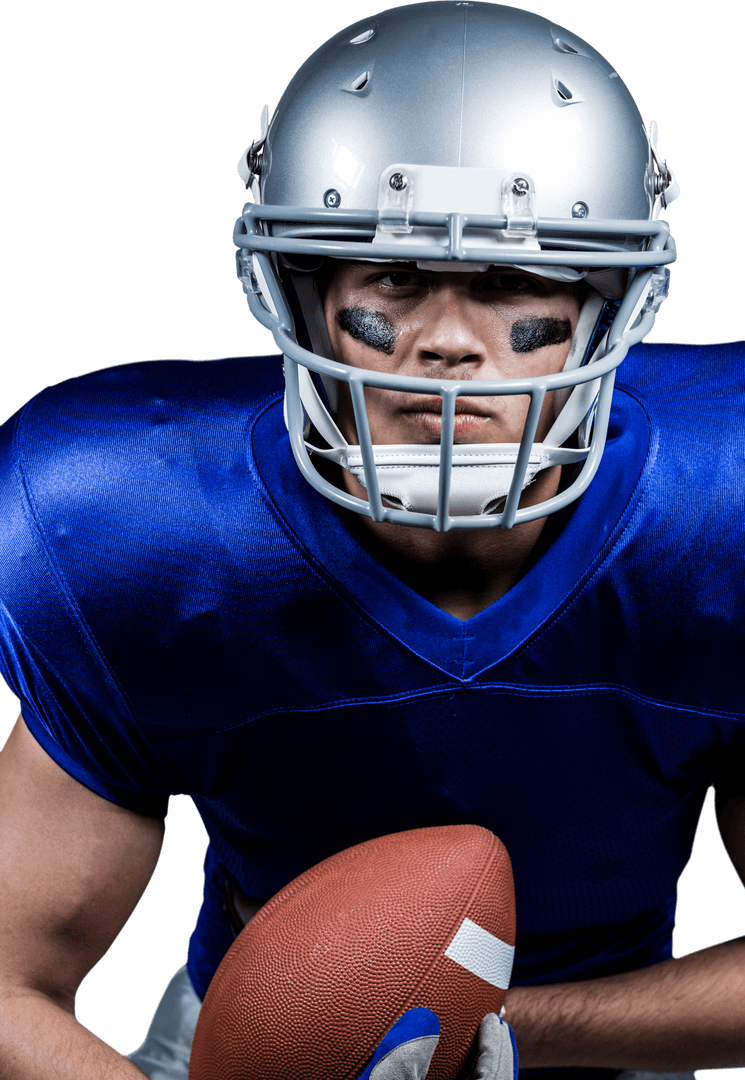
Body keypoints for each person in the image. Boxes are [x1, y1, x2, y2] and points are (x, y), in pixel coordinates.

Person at [0, 3, 743, 1079]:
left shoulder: (712, 521)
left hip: (587, 1045)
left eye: (509, 282)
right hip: (245, 1049)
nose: (446, 340)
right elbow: (10, 976)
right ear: (303, 296)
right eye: (394, 280)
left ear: (612, 305)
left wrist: (489, 1029)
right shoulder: (136, 528)